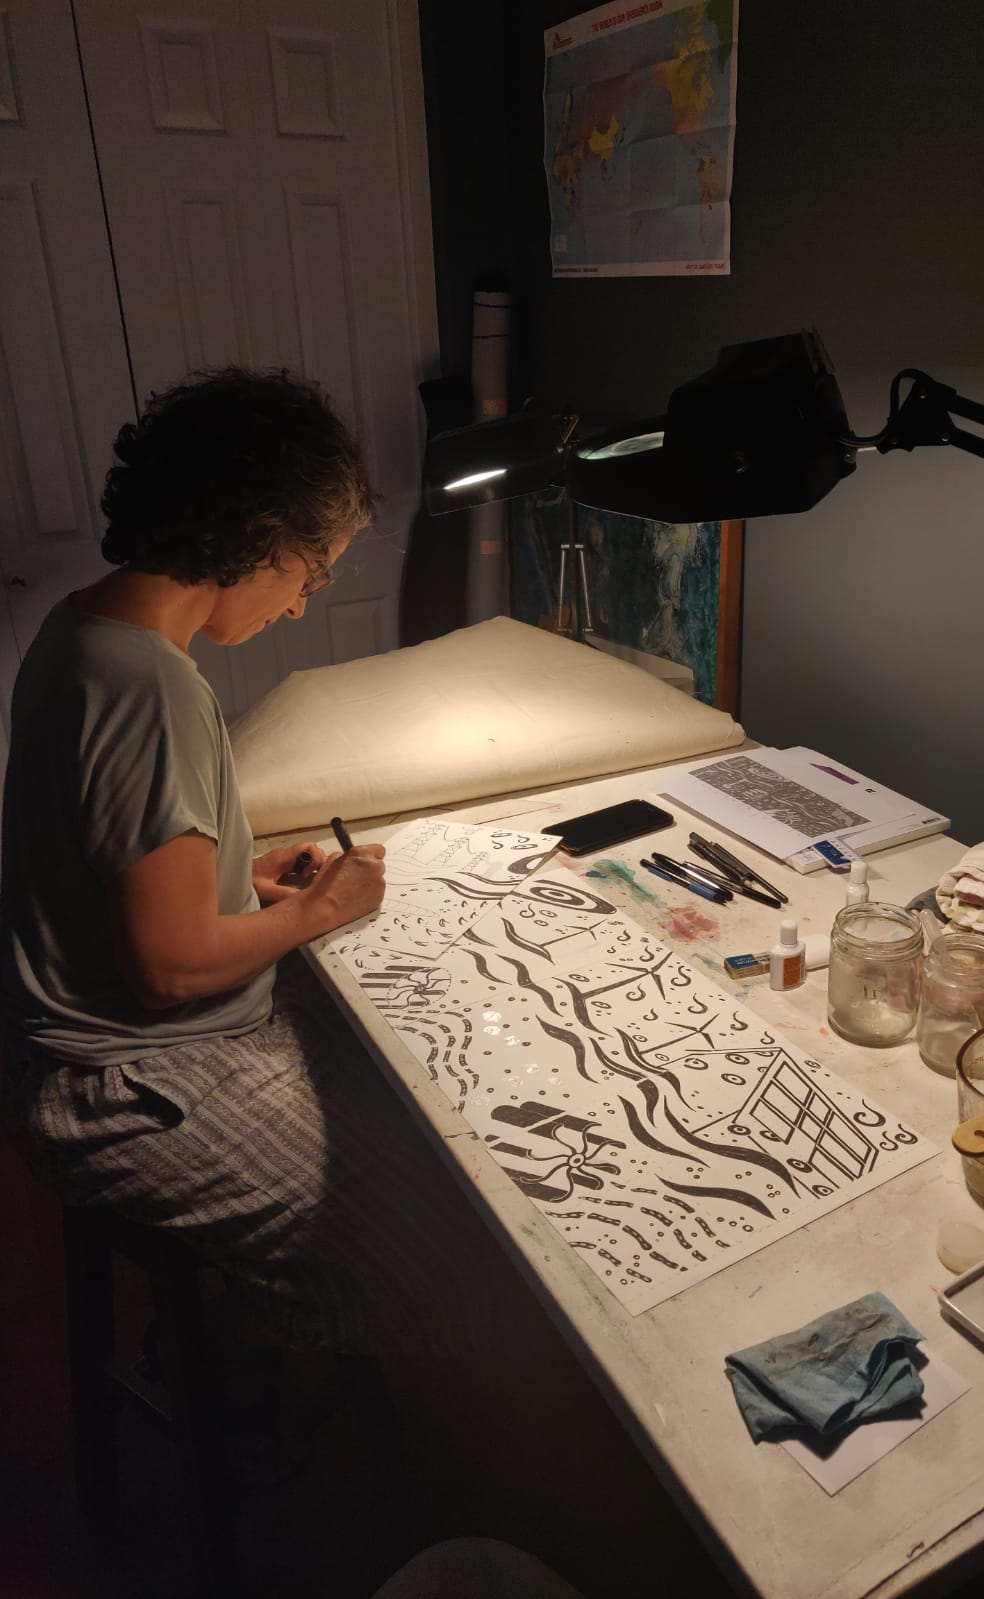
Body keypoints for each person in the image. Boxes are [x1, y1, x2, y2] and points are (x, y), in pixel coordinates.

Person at [0, 367, 514, 1357]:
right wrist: (320, 910)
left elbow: (116, 865)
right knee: (443, 1240)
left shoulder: (78, 628)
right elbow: (169, 966)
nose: (300, 605)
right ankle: (313, 1380)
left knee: (409, 1103)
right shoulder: (152, 688)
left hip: (69, 1053)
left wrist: (244, 883)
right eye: (311, 573)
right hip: (123, 1085)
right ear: (261, 536)